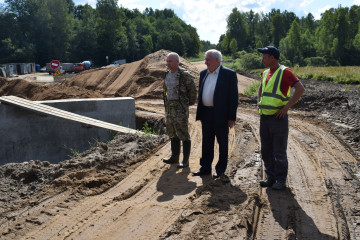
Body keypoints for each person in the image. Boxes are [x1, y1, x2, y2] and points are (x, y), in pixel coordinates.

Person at [257, 46, 305, 190]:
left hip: (278, 120)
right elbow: (261, 88)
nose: (262, 59)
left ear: (272, 57)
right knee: (266, 150)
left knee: (278, 151)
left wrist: (286, 108)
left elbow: (300, 89)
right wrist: (258, 102)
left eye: (264, 56)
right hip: (264, 118)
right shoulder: (266, 72)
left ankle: (280, 180)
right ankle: (270, 177)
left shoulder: (285, 72)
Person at [193, 49, 238, 180]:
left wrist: (231, 117)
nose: (205, 62)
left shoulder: (229, 74)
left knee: (222, 142)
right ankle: (205, 167)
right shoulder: (203, 74)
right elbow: (201, 94)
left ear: (217, 60)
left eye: (208, 59)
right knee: (206, 141)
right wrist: (201, 114)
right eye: (205, 59)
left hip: (221, 115)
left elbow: (233, 98)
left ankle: (220, 169)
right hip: (206, 113)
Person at [162, 52, 197, 168]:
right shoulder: (167, 74)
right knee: (172, 133)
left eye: (170, 61)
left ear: (177, 62)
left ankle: (185, 161)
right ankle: (174, 157)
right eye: (167, 61)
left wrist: (186, 105)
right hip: (169, 108)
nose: (168, 63)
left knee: (183, 134)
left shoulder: (184, 74)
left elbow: (193, 91)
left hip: (180, 108)